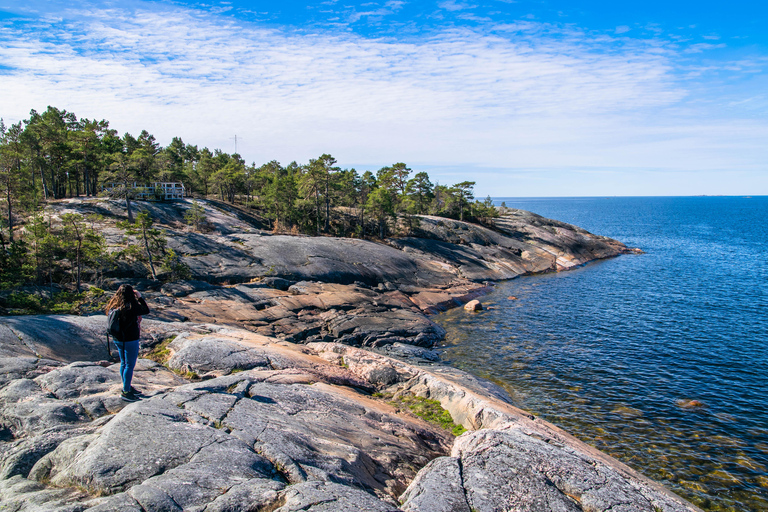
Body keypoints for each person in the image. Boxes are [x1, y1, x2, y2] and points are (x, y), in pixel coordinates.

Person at [105, 284, 150, 402]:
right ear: (131, 294)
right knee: (129, 365)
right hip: (130, 339)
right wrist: (139, 297)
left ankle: (127, 386)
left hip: (118, 339)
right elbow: (146, 310)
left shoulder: (114, 305)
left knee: (124, 363)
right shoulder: (131, 306)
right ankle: (126, 392)